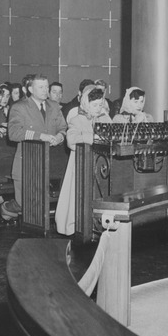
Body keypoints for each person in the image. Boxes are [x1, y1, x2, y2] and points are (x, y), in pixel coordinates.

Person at [1, 75, 67, 221]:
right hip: (27, 161)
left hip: (50, 161)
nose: (45, 90)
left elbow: (62, 127)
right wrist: (41, 136)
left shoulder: (54, 106)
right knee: (23, 203)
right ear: (30, 89)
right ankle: (6, 207)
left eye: (46, 87)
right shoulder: (20, 107)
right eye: (41, 87)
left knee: (38, 202)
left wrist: (60, 136)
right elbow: (13, 133)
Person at [54, 87, 111, 236]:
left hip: (101, 165)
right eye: (94, 105)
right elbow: (71, 141)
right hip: (81, 165)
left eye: (100, 104)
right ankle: (80, 227)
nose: (98, 108)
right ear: (86, 104)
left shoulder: (105, 119)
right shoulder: (76, 120)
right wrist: (93, 138)